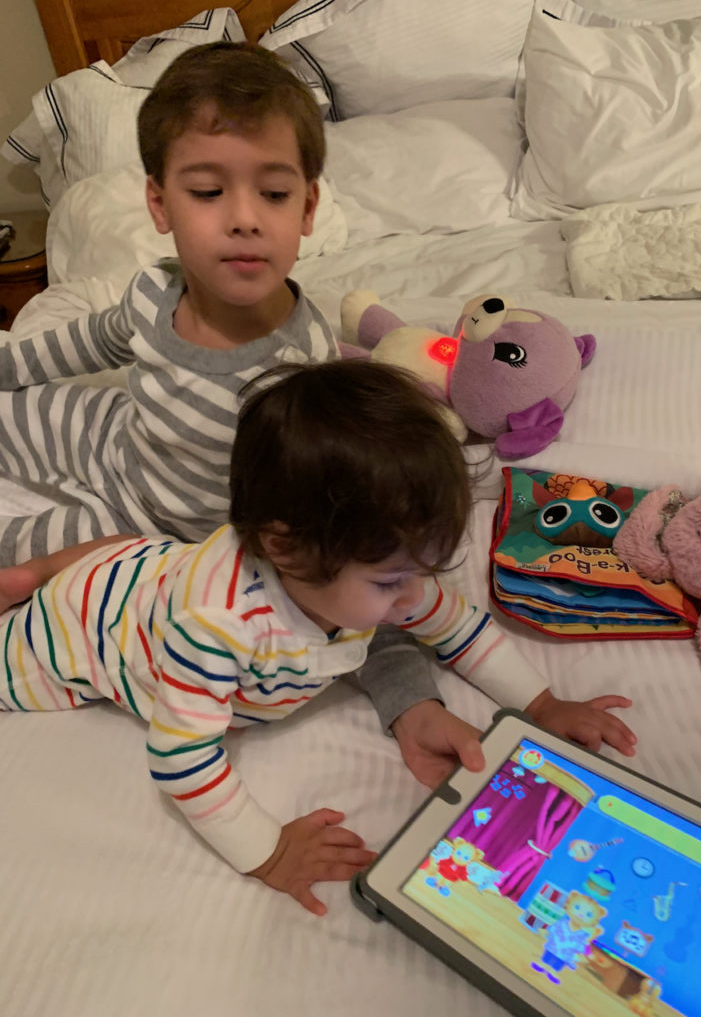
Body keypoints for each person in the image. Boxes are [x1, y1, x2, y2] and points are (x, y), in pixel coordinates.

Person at [0, 359, 636, 916]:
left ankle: (36, 569)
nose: (414, 598)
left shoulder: (369, 573)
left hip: (148, 566)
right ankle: (34, 578)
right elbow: (180, 759)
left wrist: (540, 704)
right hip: (75, 631)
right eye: (391, 582)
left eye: (425, 571)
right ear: (285, 547)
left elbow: (455, 627)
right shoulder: (216, 628)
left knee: (147, 558)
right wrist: (268, 852)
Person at [0, 39, 464, 778]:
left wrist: (410, 700)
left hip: (158, 534)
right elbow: (83, 345)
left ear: (309, 207)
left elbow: (349, 560)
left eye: (274, 194)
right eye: (208, 191)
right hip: (118, 440)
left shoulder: (295, 371)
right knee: (21, 412)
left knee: (21, 557)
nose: (244, 218)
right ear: (159, 203)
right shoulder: (152, 291)